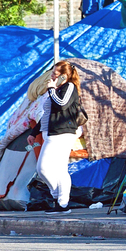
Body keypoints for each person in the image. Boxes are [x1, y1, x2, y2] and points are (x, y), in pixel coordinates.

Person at [36, 61, 85, 215]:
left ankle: (62, 201)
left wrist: (51, 89)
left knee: (47, 168)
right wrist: (33, 133)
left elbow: (62, 104)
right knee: (47, 169)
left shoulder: (69, 86)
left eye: (55, 73)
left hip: (62, 132)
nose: (51, 76)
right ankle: (59, 200)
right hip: (51, 132)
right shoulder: (57, 90)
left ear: (64, 76)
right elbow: (47, 114)